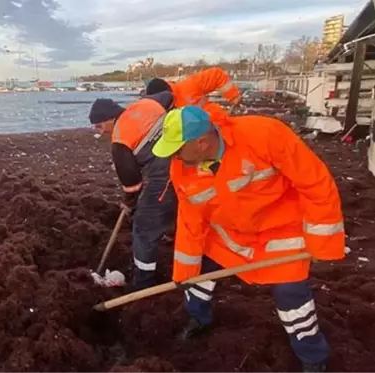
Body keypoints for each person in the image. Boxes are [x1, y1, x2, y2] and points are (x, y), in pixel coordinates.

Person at [151, 106, 345, 373]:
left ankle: (313, 357)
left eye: (176, 149)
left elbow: (315, 183)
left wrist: (323, 242)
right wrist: (184, 272)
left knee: (292, 297)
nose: (173, 156)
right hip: (228, 236)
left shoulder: (265, 135)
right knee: (198, 275)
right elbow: (190, 221)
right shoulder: (182, 168)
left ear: (201, 142)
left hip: (281, 234)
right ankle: (198, 317)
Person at [88, 92, 177, 290]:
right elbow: (169, 95)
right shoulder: (146, 103)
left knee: (143, 227)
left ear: (111, 118)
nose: (101, 131)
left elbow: (132, 184)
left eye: (100, 126)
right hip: (187, 158)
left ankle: (143, 283)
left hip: (167, 176)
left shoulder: (120, 141)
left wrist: (130, 204)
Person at [145, 67, 241, 120]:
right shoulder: (159, 111)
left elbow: (216, 75)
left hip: (219, 123)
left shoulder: (189, 86)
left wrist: (234, 97)